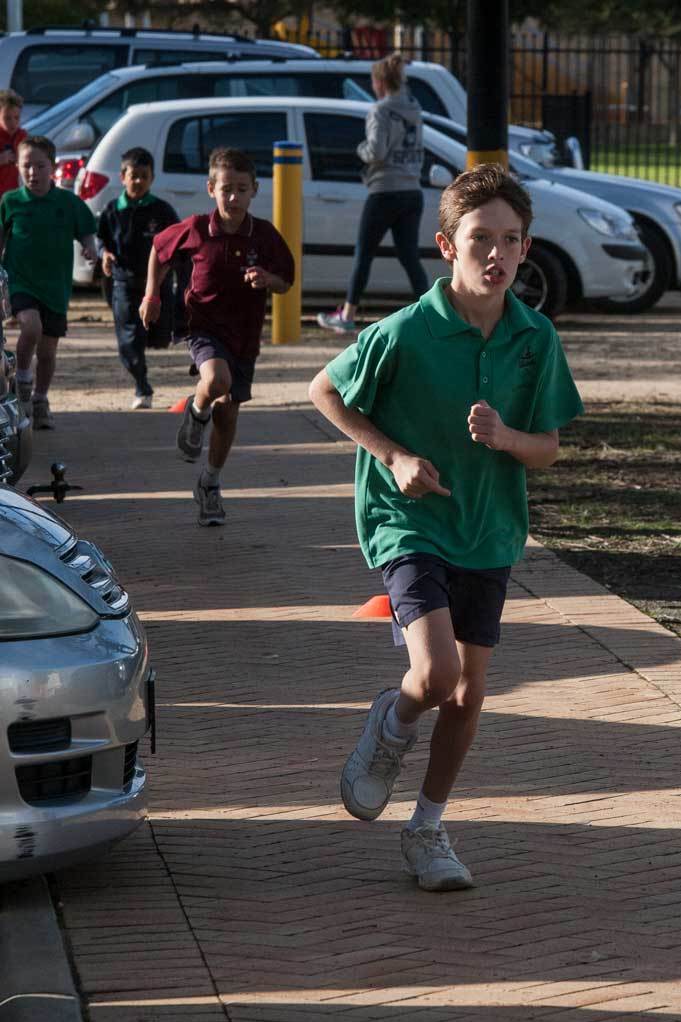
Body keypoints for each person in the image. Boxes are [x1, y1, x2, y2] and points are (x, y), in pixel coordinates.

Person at [309, 164, 583, 892]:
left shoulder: (535, 337)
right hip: (409, 520)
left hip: (488, 527)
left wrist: (506, 437)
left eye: (511, 240)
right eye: (480, 238)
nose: (497, 254)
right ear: (445, 245)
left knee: (466, 694)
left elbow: (548, 448)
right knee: (436, 675)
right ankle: (392, 725)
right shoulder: (407, 330)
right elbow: (325, 389)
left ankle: (426, 828)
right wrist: (394, 456)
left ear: (526, 248)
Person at [141, 147, 294, 526]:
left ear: (254, 190)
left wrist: (267, 279)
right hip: (203, 326)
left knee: (228, 413)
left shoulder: (265, 236)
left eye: (241, 189)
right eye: (226, 189)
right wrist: (151, 295)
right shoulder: (196, 228)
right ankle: (196, 412)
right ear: (211, 189)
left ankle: (209, 483)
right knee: (217, 381)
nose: (233, 197)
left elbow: (286, 281)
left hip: (245, 336)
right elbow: (159, 250)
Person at [316, 52, 428, 335]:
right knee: (409, 257)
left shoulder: (380, 110)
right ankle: (432, 311)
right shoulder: (414, 108)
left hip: (384, 190)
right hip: (412, 189)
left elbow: (376, 151)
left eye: (373, 81)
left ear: (380, 82)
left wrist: (360, 150)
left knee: (364, 254)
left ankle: (348, 314)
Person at [0, 135, 96, 430]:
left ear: (52, 167)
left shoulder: (68, 202)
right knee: (31, 327)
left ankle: (41, 400)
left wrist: (90, 247)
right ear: (18, 167)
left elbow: (86, 230)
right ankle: (23, 380)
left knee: (48, 352)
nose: (33, 172)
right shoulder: (10, 201)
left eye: (40, 166)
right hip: (21, 281)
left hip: (55, 287)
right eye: (26, 166)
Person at [97, 147, 180, 410]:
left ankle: (147, 353)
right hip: (124, 284)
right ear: (122, 177)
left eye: (144, 176)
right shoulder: (112, 210)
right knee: (129, 340)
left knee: (160, 336)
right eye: (133, 176)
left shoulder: (161, 210)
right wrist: (104, 254)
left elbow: (177, 242)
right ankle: (142, 386)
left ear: (152, 178)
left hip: (157, 286)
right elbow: (100, 239)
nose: (138, 181)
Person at [0, 89, 26, 197]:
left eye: (16, 118)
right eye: (7, 118)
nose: (13, 122)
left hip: (14, 192)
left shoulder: (22, 136)